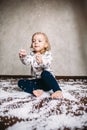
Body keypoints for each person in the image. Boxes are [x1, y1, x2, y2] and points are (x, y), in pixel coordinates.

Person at [18, 32, 63, 99]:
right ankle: (35, 90)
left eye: (39, 41)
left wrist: (42, 61)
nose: (36, 42)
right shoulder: (32, 55)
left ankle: (57, 90)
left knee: (45, 73)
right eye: (34, 41)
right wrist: (23, 57)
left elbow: (48, 63)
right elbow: (26, 62)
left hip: (48, 82)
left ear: (45, 44)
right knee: (20, 82)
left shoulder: (47, 54)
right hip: (38, 82)